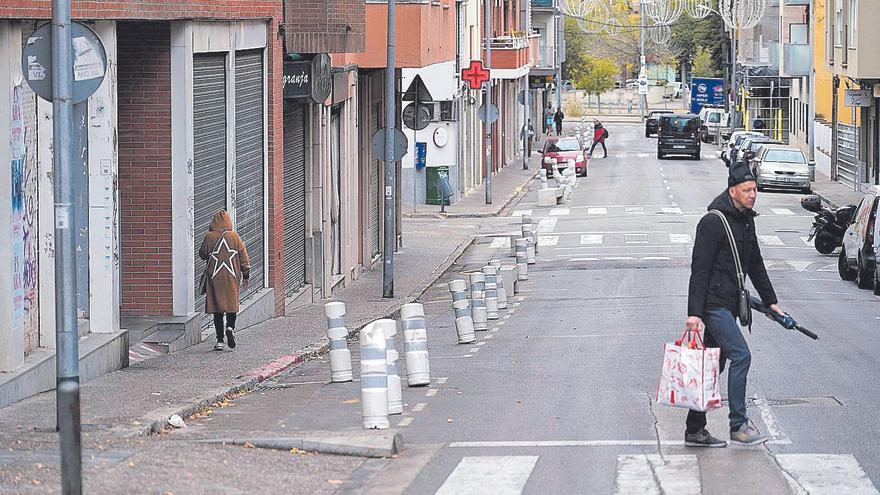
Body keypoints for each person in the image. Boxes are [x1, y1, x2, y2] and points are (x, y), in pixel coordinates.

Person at [683, 161, 786, 448]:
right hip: (713, 304)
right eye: (747, 190)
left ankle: (694, 429)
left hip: (729, 304)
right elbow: (699, 270)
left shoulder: (746, 219)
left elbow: (755, 263)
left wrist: (772, 302)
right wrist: (694, 313)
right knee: (741, 355)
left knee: (712, 367)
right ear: (732, 190)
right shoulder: (713, 221)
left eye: (754, 189)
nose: (753, 194)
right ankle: (738, 425)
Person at [199, 209, 250, 351]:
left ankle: (220, 340)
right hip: (232, 278)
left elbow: (202, 254)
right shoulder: (234, 236)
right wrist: (245, 275)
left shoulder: (209, 236)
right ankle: (230, 327)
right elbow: (244, 258)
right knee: (231, 306)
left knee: (218, 309)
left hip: (214, 278)